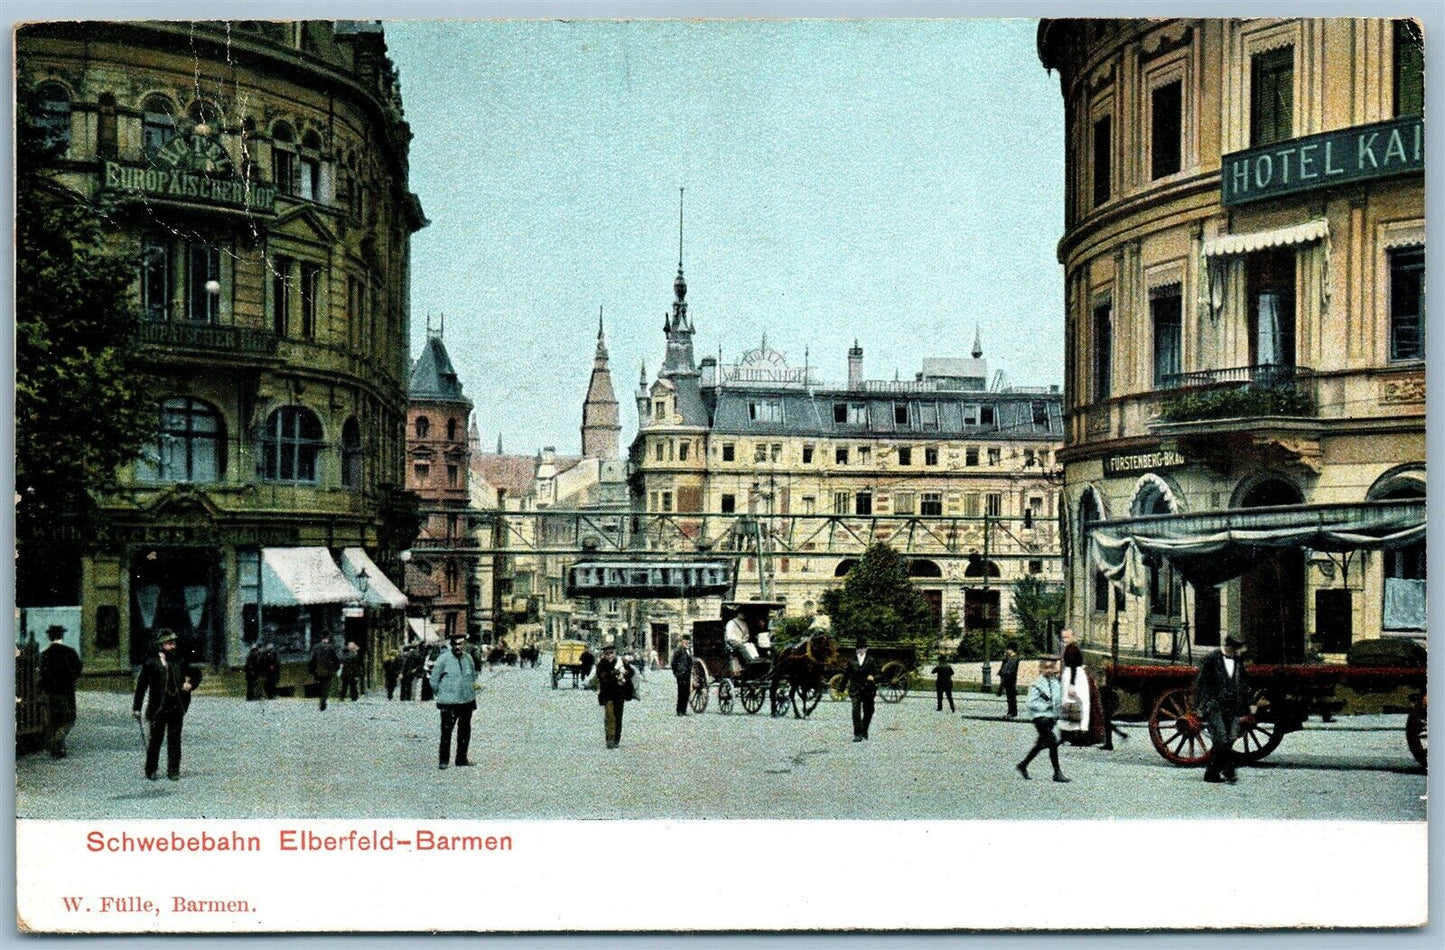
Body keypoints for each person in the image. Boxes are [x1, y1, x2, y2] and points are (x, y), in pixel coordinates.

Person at [131, 630, 201, 781]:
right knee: (155, 741)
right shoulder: (151, 663)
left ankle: (173, 770)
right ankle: (151, 770)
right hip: (158, 709)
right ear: (161, 645)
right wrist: (136, 708)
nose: (172, 646)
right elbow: (141, 686)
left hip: (176, 707)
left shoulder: (180, 661)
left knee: (175, 741)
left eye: (173, 643)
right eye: (169, 643)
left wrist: (190, 684)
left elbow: (196, 674)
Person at [1194, 634, 1251, 784]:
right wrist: (1203, 705)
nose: (1241, 652)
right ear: (1231, 647)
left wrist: (1247, 706)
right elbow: (1201, 684)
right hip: (1215, 705)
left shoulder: (1238, 661)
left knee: (1230, 738)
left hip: (1233, 706)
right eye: (1239, 649)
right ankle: (1229, 770)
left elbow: (1243, 683)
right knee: (1221, 737)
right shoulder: (1211, 659)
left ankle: (1211, 773)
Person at [1017, 655, 1070, 782]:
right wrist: (1046, 705)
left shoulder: (1055, 683)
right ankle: (1057, 773)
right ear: (1040, 669)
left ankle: (1023, 765)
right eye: (1046, 668)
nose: (1049, 670)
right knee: (1053, 742)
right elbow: (1030, 702)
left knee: (1041, 744)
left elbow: (1058, 699)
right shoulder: (1037, 685)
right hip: (1040, 718)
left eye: (1052, 667)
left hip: (1051, 719)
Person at [430, 633, 479, 770]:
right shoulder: (443, 659)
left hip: (466, 700)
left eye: (461, 644)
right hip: (448, 702)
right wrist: (442, 694)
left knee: (464, 731)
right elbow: (434, 680)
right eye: (455, 644)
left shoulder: (468, 658)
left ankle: (461, 759)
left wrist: (471, 690)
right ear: (451, 645)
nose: (458, 647)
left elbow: (473, 676)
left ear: (464, 644)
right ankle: (443, 760)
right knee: (446, 731)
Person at [38, 625, 82, 758]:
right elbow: (78, 669)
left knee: (54, 720)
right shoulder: (69, 652)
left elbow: (42, 673)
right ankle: (59, 738)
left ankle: (57, 748)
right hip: (66, 691)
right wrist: (70, 680)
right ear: (62, 636)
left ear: (49, 637)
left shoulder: (45, 654)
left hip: (51, 691)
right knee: (69, 718)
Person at [1059, 642, 1104, 746]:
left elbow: (1064, 695)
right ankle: (1081, 734)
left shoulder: (1067, 672)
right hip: (1080, 710)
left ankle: (1070, 735)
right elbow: (1085, 699)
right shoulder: (1081, 672)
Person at [593, 639, 635, 749]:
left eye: (611, 653)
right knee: (610, 715)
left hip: (619, 694)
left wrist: (625, 671)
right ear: (604, 655)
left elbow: (631, 672)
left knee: (618, 717)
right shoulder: (601, 664)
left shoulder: (621, 662)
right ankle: (610, 739)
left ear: (614, 653)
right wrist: (614, 674)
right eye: (607, 654)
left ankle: (616, 739)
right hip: (607, 694)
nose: (609, 656)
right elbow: (602, 677)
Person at [844, 637, 879, 742]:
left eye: (862, 648)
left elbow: (880, 674)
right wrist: (841, 687)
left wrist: (873, 677)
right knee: (856, 711)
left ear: (866, 649)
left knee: (869, 711)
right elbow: (846, 675)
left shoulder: (871, 660)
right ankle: (857, 734)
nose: (859, 650)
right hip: (855, 689)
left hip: (868, 690)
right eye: (858, 648)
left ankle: (864, 730)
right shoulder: (851, 661)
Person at [309, 634, 340, 710]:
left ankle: (321, 699)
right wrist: (336, 668)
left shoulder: (316, 647)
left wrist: (312, 670)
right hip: (328, 671)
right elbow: (335, 659)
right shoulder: (330, 647)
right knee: (326, 687)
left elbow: (312, 659)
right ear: (327, 638)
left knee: (320, 686)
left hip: (318, 671)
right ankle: (323, 701)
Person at [670, 636, 694, 716]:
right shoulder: (678, 650)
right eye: (686, 641)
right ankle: (679, 710)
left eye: (688, 641)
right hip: (681, 674)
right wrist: (676, 672)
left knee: (687, 692)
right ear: (682, 641)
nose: (687, 642)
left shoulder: (688, 650)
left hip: (687, 674)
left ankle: (684, 710)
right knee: (681, 692)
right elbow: (673, 662)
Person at [998, 642, 1020, 718]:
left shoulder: (1013, 658)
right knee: (1010, 697)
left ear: (1011, 650)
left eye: (1008, 649)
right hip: (1008, 678)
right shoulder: (1010, 658)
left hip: (1010, 679)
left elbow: (1009, 669)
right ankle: (1011, 712)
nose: (1007, 651)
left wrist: (1004, 675)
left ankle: (1012, 712)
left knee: (1011, 697)